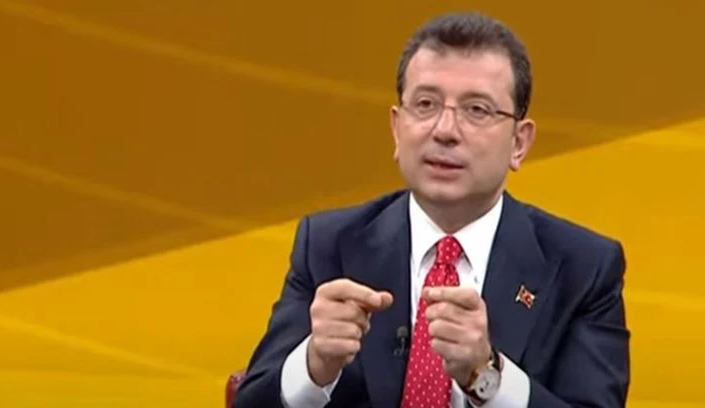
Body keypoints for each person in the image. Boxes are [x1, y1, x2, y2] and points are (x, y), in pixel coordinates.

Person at [232, 11, 630, 408]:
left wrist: (487, 377)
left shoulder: (584, 268)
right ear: (396, 128)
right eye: (425, 104)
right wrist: (314, 365)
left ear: (519, 143)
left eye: (477, 110)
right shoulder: (328, 246)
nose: (445, 130)